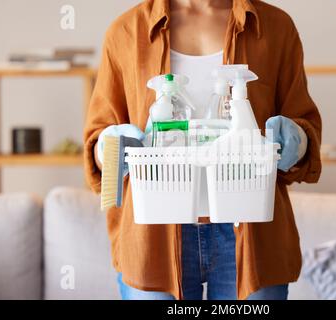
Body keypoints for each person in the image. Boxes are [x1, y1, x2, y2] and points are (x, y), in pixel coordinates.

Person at [84, 0, 322, 300]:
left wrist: (295, 140)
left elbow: (304, 124)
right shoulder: (126, 32)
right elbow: (97, 141)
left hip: (251, 235)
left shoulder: (274, 28)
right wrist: (110, 145)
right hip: (154, 237)